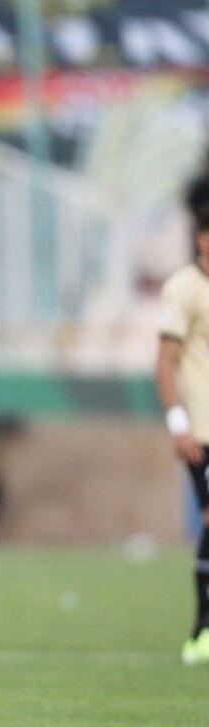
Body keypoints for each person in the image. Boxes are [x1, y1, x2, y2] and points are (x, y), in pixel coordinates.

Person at [156, 209, 209, 666]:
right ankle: (202, 629)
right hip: (203, 431)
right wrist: (179, 425)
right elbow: (165, 363)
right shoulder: (184, 289)